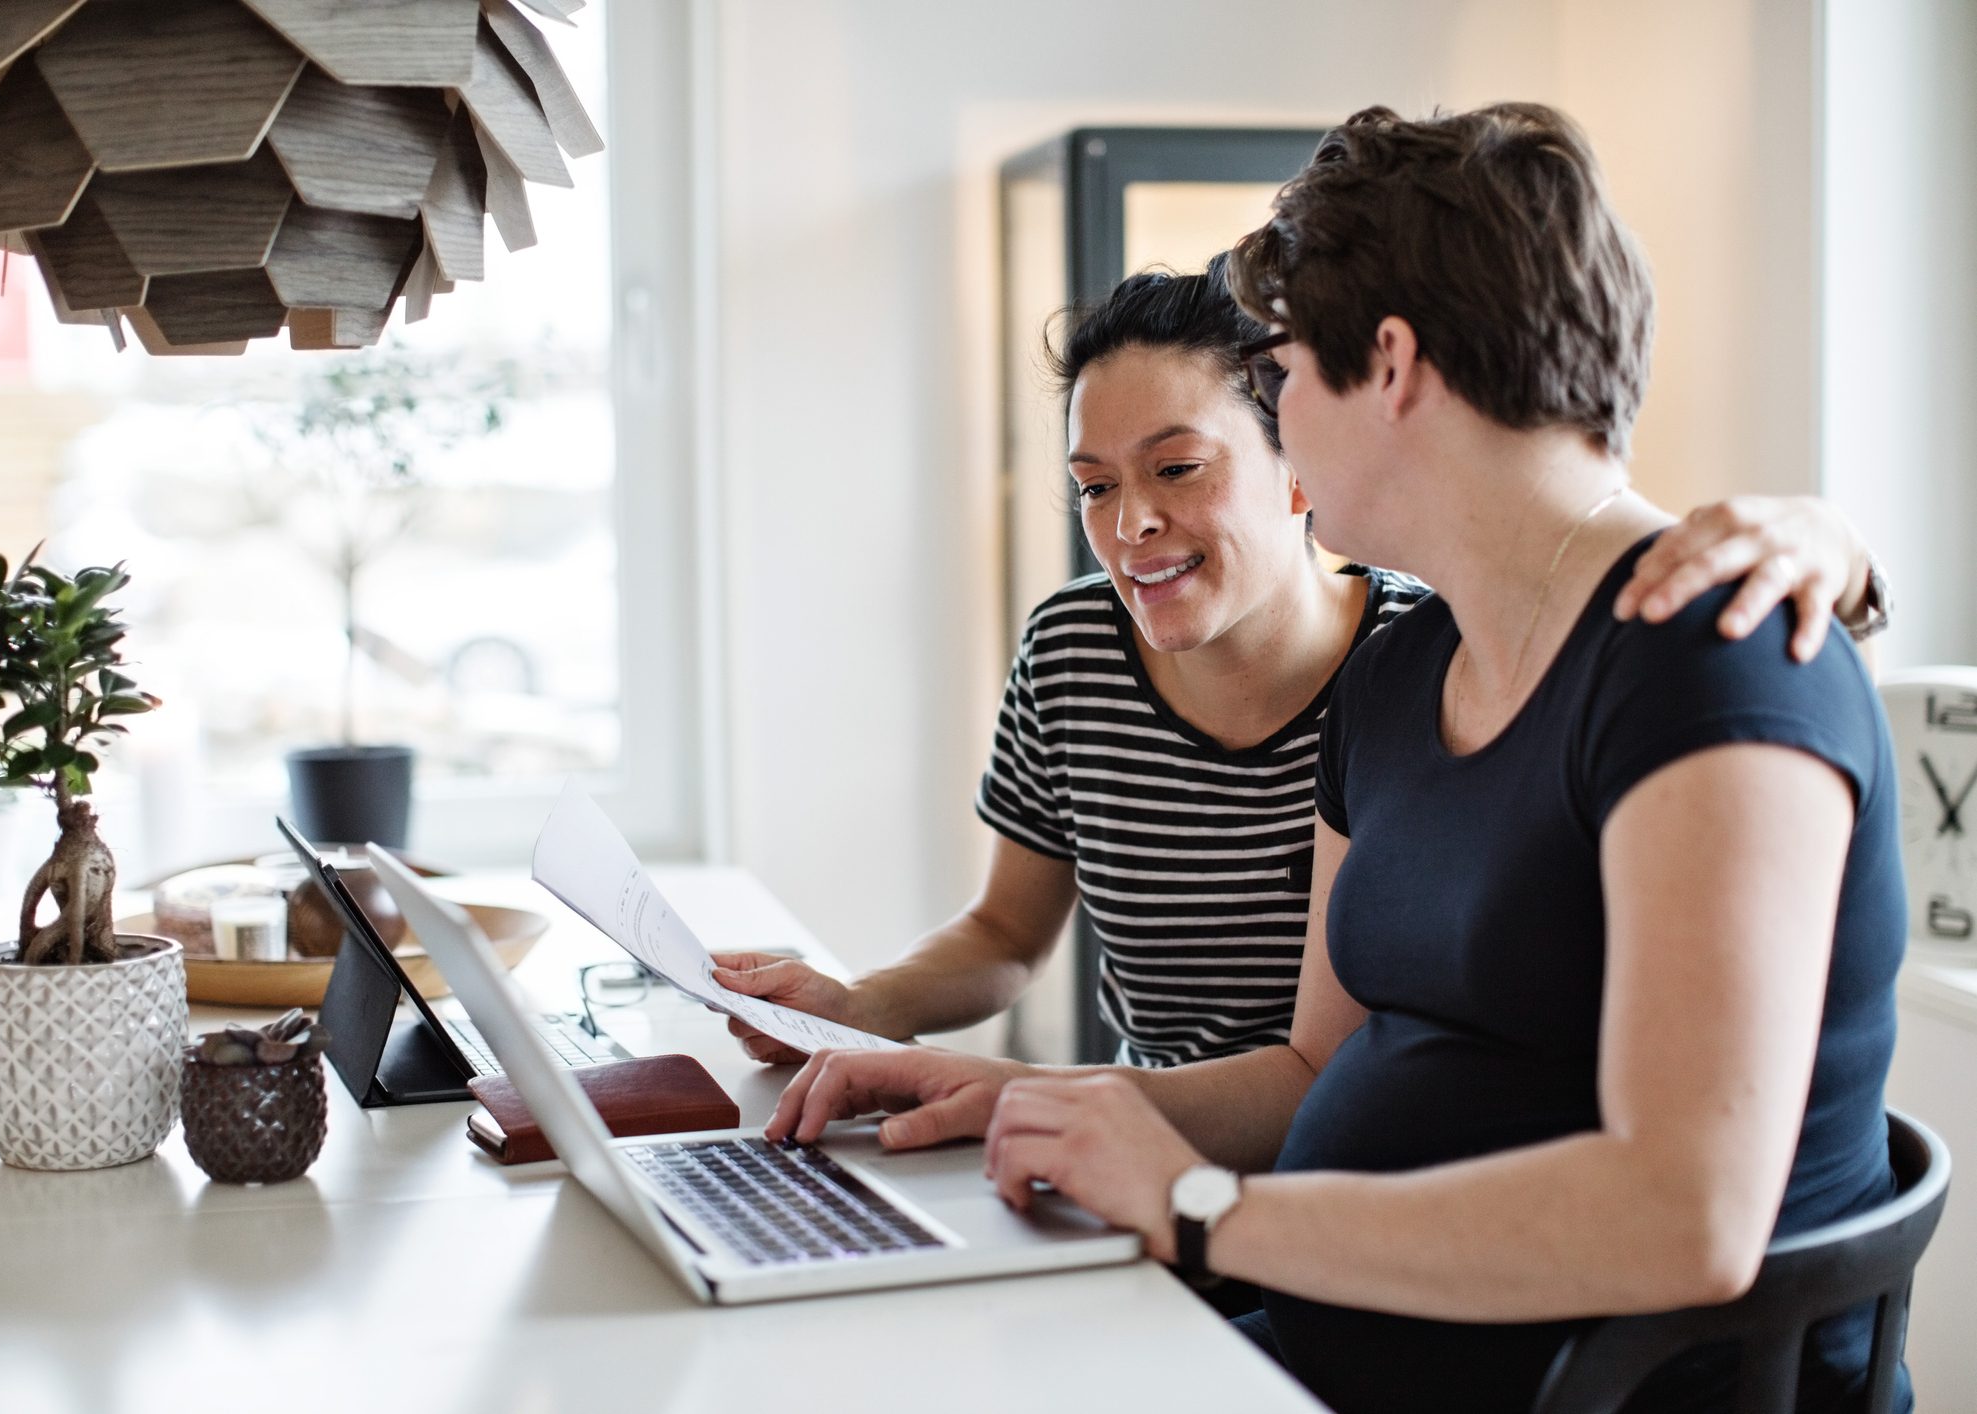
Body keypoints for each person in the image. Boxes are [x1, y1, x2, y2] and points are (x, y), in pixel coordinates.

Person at [762, 103, 1906, 1413]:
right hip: (1317, 1338)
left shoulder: (1715, 651)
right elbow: (1312, 1073)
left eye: (1290, 371)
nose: (1284, 419)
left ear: (1394, 364)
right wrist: (1024, 1095)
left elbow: (1684, 1213)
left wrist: (1202, 1210)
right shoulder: (1403, 672)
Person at [712, 264, 1887, 1071]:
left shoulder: (1423, 660)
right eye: (1096, 486)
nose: (1129, 525)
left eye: (1177, 469)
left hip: (1302, 1168)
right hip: (1149, 1136)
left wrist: (1832, 543)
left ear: (1298, 464)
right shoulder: (1069, 652)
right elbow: (1006, 936)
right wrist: (857, 1010)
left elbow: (1601, 596)